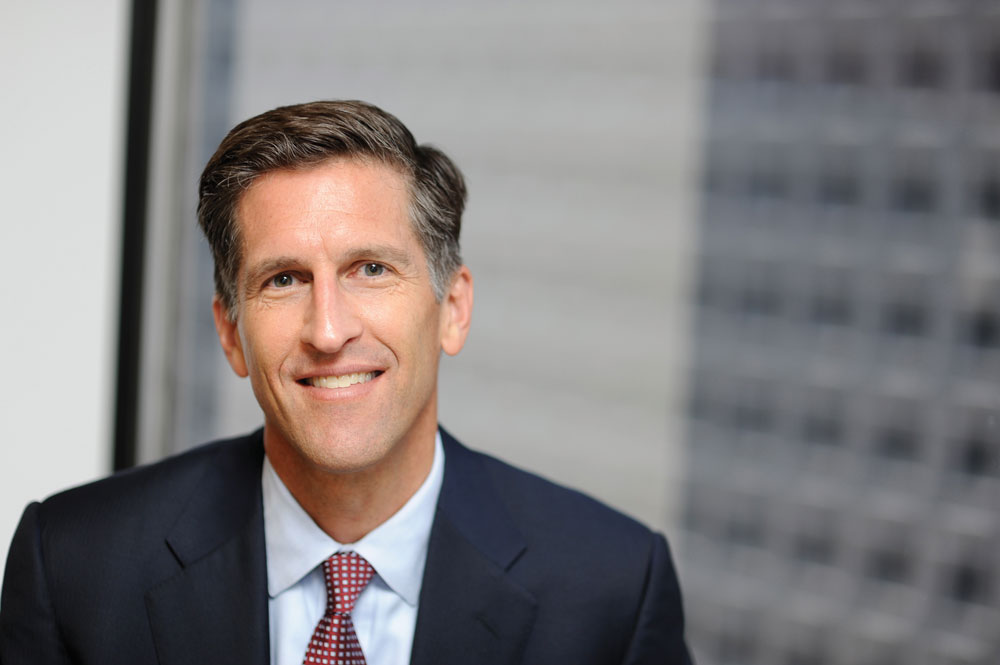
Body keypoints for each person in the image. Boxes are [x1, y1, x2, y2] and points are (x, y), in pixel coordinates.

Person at [0, 100, 692, 665]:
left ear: (452, 309)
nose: (328, 331)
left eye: (371, 269)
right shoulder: (74, 567)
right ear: (231, 332)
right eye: (284, 279)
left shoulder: (611, 588)